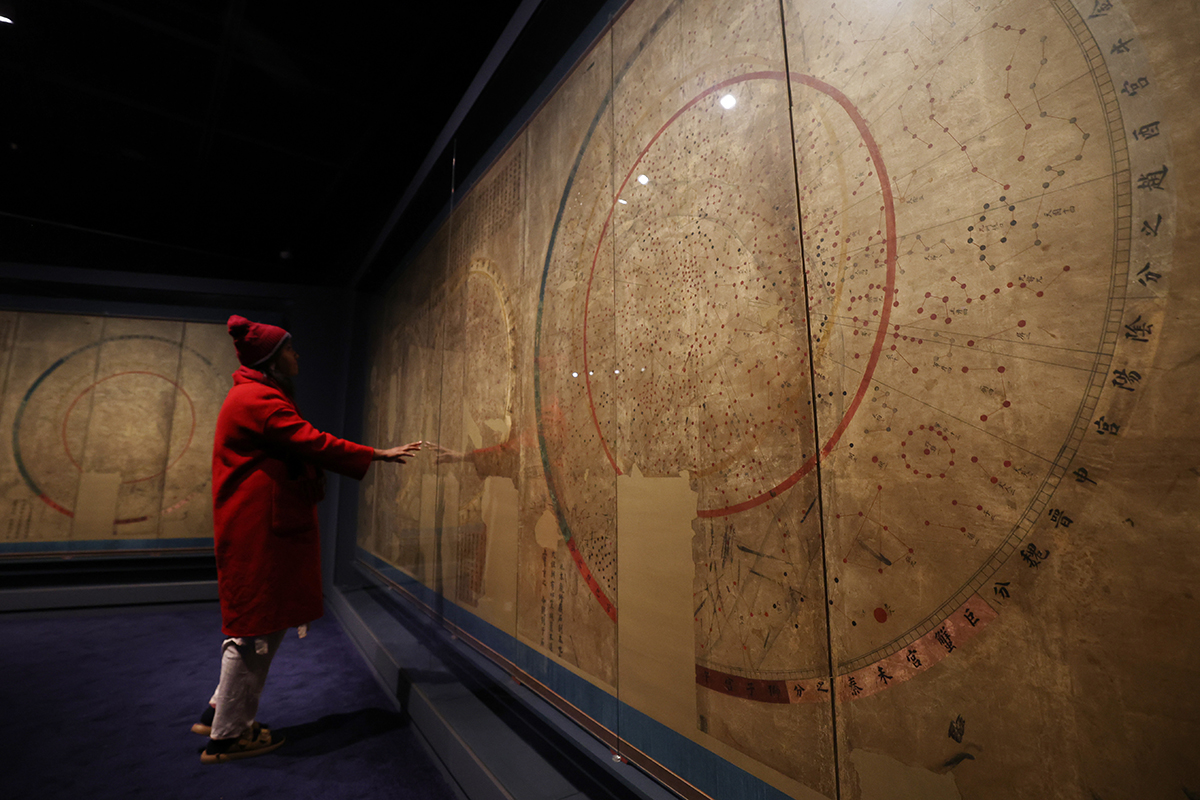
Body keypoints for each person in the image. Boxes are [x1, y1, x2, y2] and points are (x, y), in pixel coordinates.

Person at [196, 314, 420, 764]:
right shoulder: (258, 400)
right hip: (260, 533)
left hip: (260, 528)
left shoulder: (254, 394)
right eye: (290, 350)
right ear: (272, 359)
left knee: (257, 624)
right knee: (256, 630)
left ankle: (221, 711)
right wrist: (376, 454)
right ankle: (227, 737)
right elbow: (311, 441)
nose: (297, 355)